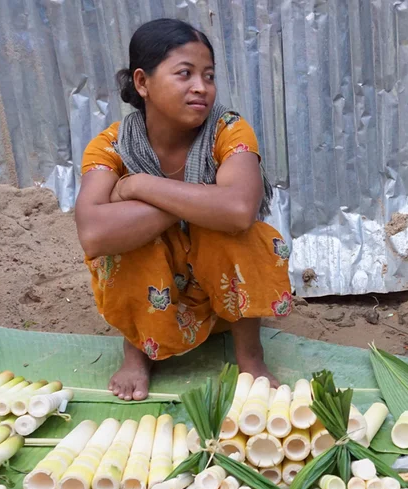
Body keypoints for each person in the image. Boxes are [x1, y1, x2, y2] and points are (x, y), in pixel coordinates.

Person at [75, 19, 292, 401]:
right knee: (131, 242)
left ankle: (250, 356)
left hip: (222, 297)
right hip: (159, 290)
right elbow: (93, 234)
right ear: (142, 83)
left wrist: (141, 186)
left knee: (236, 231)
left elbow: (240, 208)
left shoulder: (228, 129)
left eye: (208, 76)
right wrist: (200, 200)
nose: (201, 87)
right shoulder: (111, 146)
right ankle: (137, 350)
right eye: (185, 74)